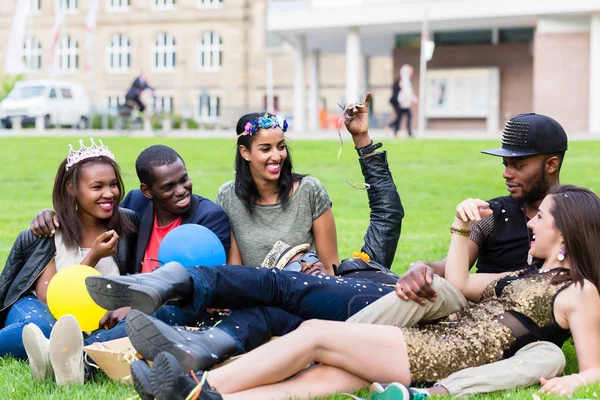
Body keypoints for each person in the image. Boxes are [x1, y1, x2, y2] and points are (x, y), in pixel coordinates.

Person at [94, 184, 600, 400]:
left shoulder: (581, 291)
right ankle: (214, 398)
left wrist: (577, 383)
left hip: (440, 353)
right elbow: (463, 284)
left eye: (543, 219)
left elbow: (594, 367)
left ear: (568, 232)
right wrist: (460, 225)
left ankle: (195, 384)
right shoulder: (524, 277)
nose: (533, 222)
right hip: (439, 335)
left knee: (315, 334)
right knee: (321, 381)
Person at [0, 139, 139, 385]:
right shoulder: (49, 234)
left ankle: (61, 356)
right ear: (71, 188)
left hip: (93, 322)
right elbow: (52, 301)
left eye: (113, 185)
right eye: (97, 187)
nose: (109, 194)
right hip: (39, 311)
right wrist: (93, 257)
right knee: (48, 328)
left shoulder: (128, 225)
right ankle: (53, 350)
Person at [31, 144, 231, 274]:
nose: (181, 191)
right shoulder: (136, 204)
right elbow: (95, 217)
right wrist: (51, 216)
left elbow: (204, 280)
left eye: (184, 179)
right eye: (168, 187)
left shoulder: (209, 218)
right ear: (147, 191)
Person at [216, 112, 339, 273]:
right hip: (254, 293)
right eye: (266, 149)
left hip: (307, 291)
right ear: (245, 152)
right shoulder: (228, 197)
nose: (277, 156)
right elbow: (236, 273)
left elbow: (331, 267)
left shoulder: (310, 190)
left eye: (281, 147)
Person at [388, 64, 417, 138]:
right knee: (401, 117)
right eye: (410, 72)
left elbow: (408, 92)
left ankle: (393, 128)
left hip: (405, 103)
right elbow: (405, 93)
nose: (411, 74)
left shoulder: (406, 80)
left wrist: (413, 98)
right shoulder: (403, 80)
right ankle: (396, 130)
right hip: (400, 103)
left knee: (401, 117)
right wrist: (412, 98)